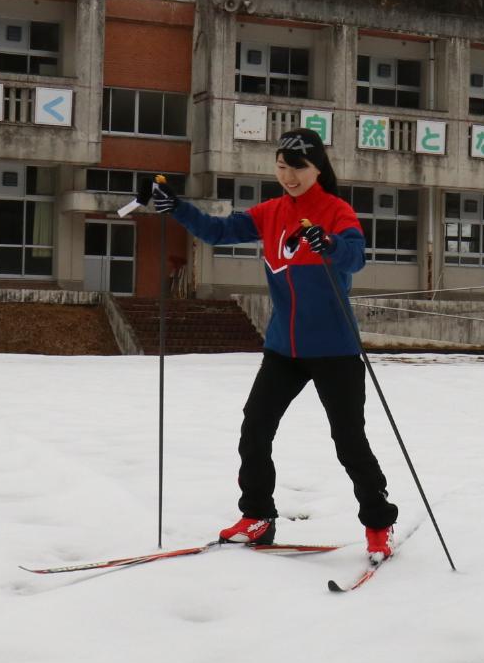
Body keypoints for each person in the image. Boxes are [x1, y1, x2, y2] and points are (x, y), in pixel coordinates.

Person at [143, 130, 400, 559]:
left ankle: (378, 523)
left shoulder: (336, 211)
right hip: (285, 348)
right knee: (255, 428)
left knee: (349, 440)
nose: (289, 176)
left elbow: (356, 255)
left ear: (318, 168)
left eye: (298, 167)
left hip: (334, 349)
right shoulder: (271, 212)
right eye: (281, 167)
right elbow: (218, 230)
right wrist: (178, 208)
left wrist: (330, 244)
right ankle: (257, 516)